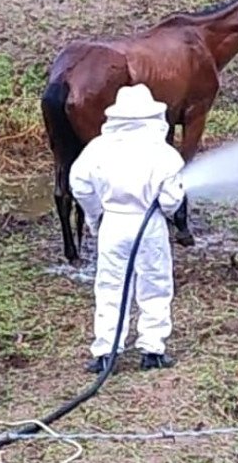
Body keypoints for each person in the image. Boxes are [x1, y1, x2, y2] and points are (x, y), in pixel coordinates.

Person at [69, 84, 186, 372]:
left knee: (110, 286)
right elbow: (172, 199)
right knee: (155, 284)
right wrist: (166, 211)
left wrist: (97, 216)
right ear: (152, 117)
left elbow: (79, 186)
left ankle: (106, 353)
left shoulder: (97, 149)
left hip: (113, 223)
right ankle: (153, 349)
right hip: (149, 225)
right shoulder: (164, 153)